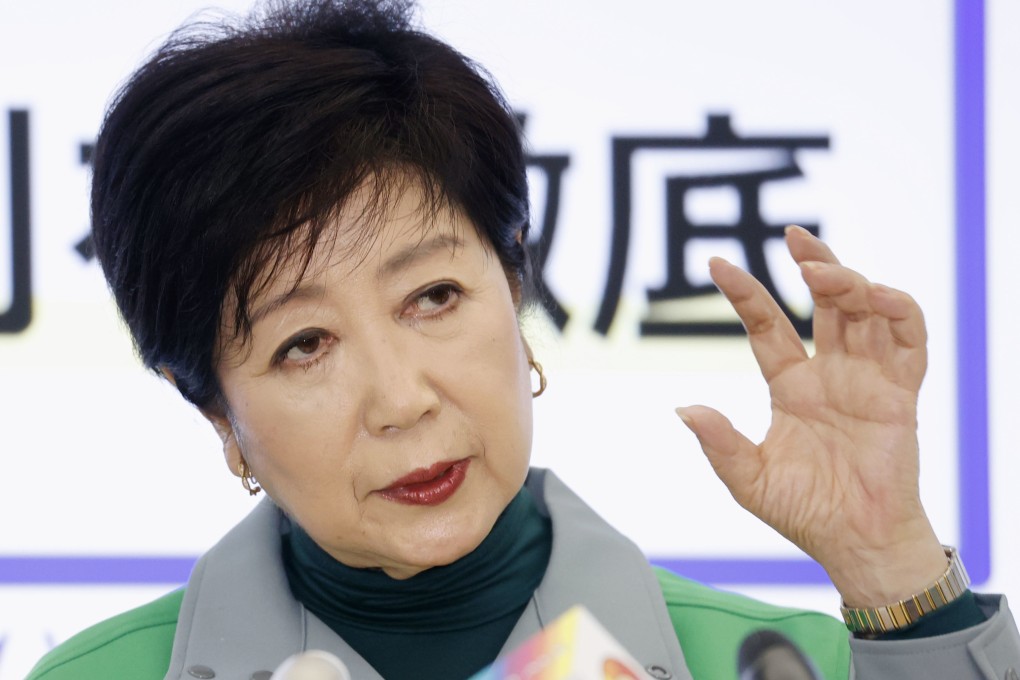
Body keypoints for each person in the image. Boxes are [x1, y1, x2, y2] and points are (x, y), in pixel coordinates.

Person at [26, 0, 1020, 678]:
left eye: (433, 295)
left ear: (514, 286)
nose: (402, 396)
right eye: (304, 344)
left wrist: (893, 572)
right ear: (215, 408)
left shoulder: (763, 660)